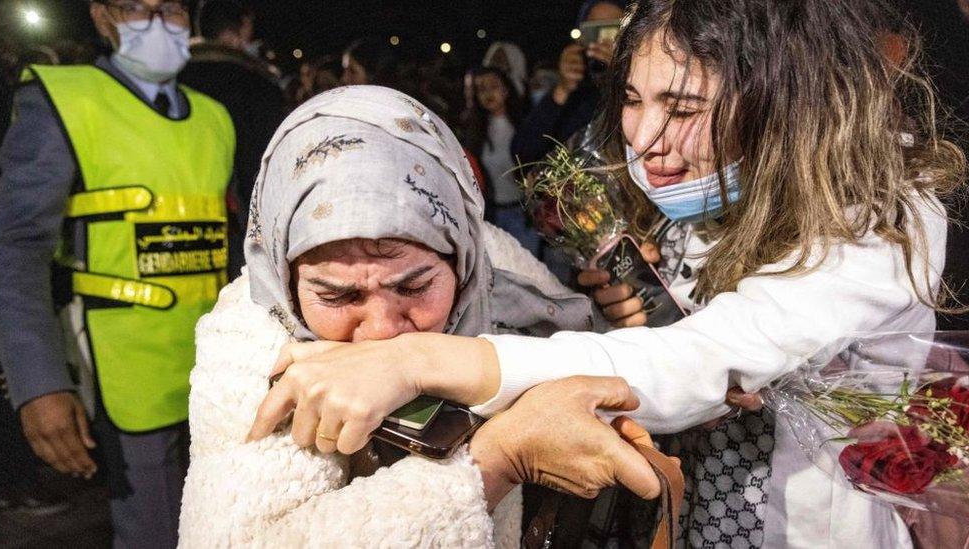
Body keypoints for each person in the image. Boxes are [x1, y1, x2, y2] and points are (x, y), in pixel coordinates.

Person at [247, 0, 967, 547]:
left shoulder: (879, 214)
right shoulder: (713, 190)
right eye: (631, 99)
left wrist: (415, 358)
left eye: (682, 108)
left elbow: (701, 359)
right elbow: (670, 353)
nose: (645, 141)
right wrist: (636, 313)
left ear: (782, 103)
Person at [180, 86, 662, 546]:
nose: (384, 331)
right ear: (285, 276)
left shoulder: (491, 266)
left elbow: (598, 371)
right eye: (339, 296)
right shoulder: (250, 339)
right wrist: (493, 461)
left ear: (461, 258)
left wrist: (619, 326)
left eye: (413, 286)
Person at [0, 0, 235, 546]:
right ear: (103, 17)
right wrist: (38, 385)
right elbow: (17, 248)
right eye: (134, 8)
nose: (155, 23)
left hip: (219, 377)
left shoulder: (215, 116)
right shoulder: (63, 99)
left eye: (168, 9)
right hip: (125, 379)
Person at [179, 0, 284, 280]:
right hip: (238, 225)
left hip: (171, 218)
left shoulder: (167, 79)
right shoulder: (258, 85)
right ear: (244, 25)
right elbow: (265, 168)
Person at [510, 0, 626, 166]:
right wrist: (562, 89)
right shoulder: (573, 90)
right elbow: (523, 154)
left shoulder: (642, 84)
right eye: (595, 30)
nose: (603, 42)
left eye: (611, 30)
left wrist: (622, 73)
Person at [461, 67, 538, 254]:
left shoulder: (525, 124)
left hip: (524, 215)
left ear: (506, 89)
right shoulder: (475, 133)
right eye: (481, 89)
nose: (488, 93)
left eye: (493, 86)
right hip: (493, 217)